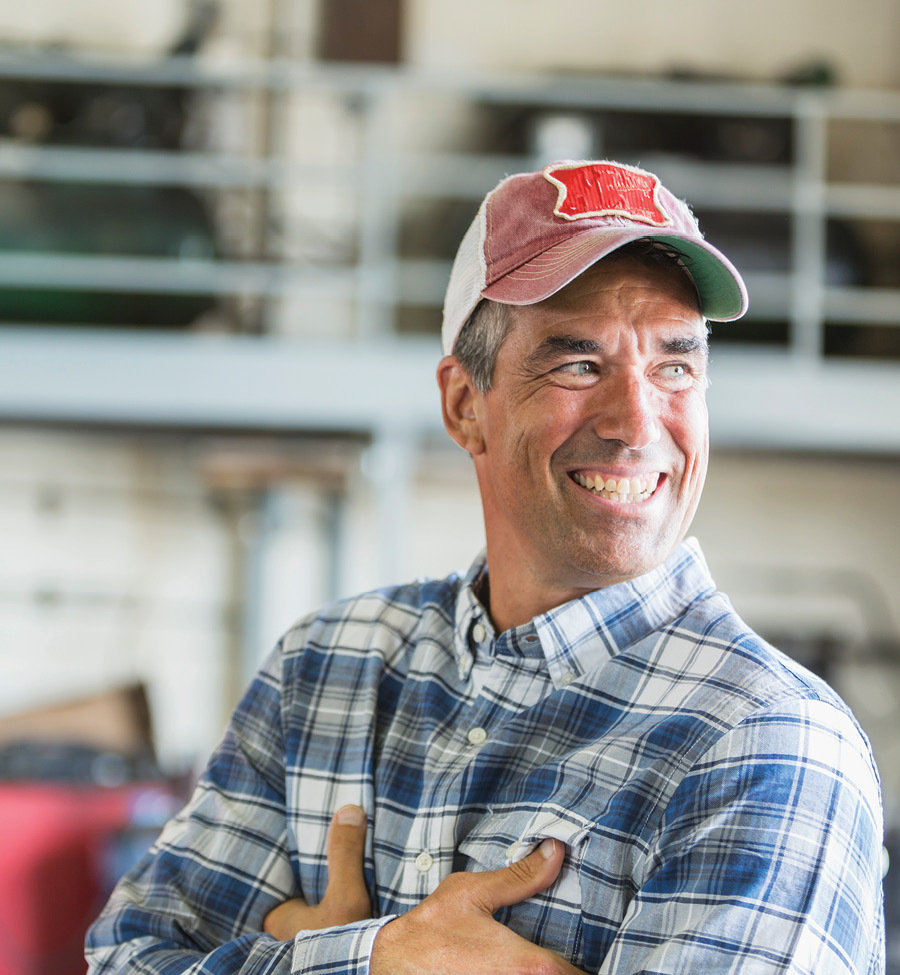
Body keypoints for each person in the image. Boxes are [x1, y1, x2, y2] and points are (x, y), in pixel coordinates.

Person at [86, 160, 885, 975]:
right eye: (579, 363)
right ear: (465, 405)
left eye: (673, 367)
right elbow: (124, 960)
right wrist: (377, 960)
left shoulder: (769, 741)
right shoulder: (325, 666)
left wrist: (310, 953)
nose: (637, 422)